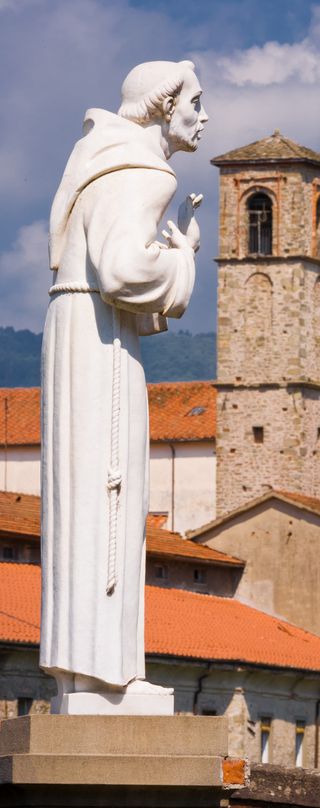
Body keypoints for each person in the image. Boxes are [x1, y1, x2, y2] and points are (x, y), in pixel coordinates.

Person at [40, 60, 208, 711]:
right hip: (103, 344)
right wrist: (182, 257)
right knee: (110, 500)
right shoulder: (146, 171)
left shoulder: (99, 161)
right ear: (165, 108)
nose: (203, 115)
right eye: (196, 101)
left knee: (84, 505)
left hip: (81, 330)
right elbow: (121, 272)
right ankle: (106, 676)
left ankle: (86, 674)